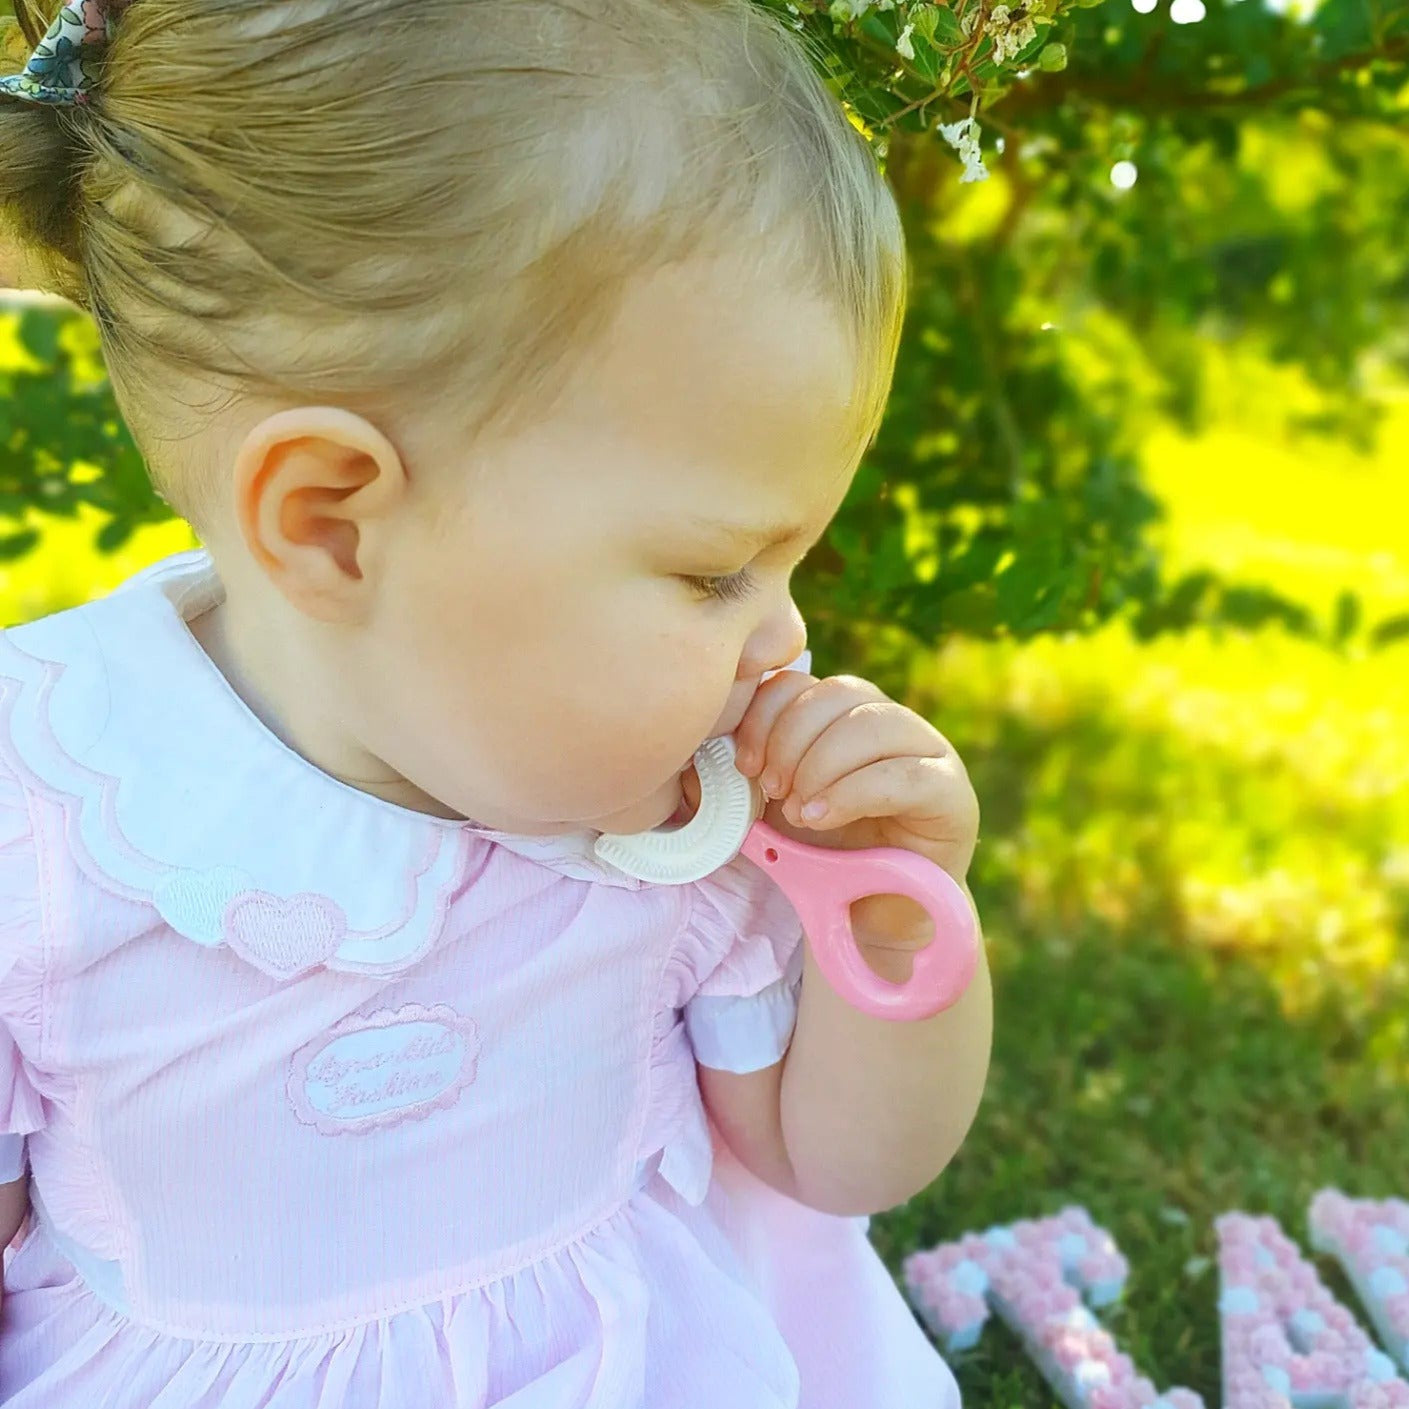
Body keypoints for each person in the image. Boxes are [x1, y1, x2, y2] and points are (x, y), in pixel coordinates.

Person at [0, 1, 992, 1404]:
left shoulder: (665, 812)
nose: (783, 638)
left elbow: (833, 1161)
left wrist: (884, 910)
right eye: (714, 571)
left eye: (783, 563)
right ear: (335, 524)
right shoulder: (44, 827)